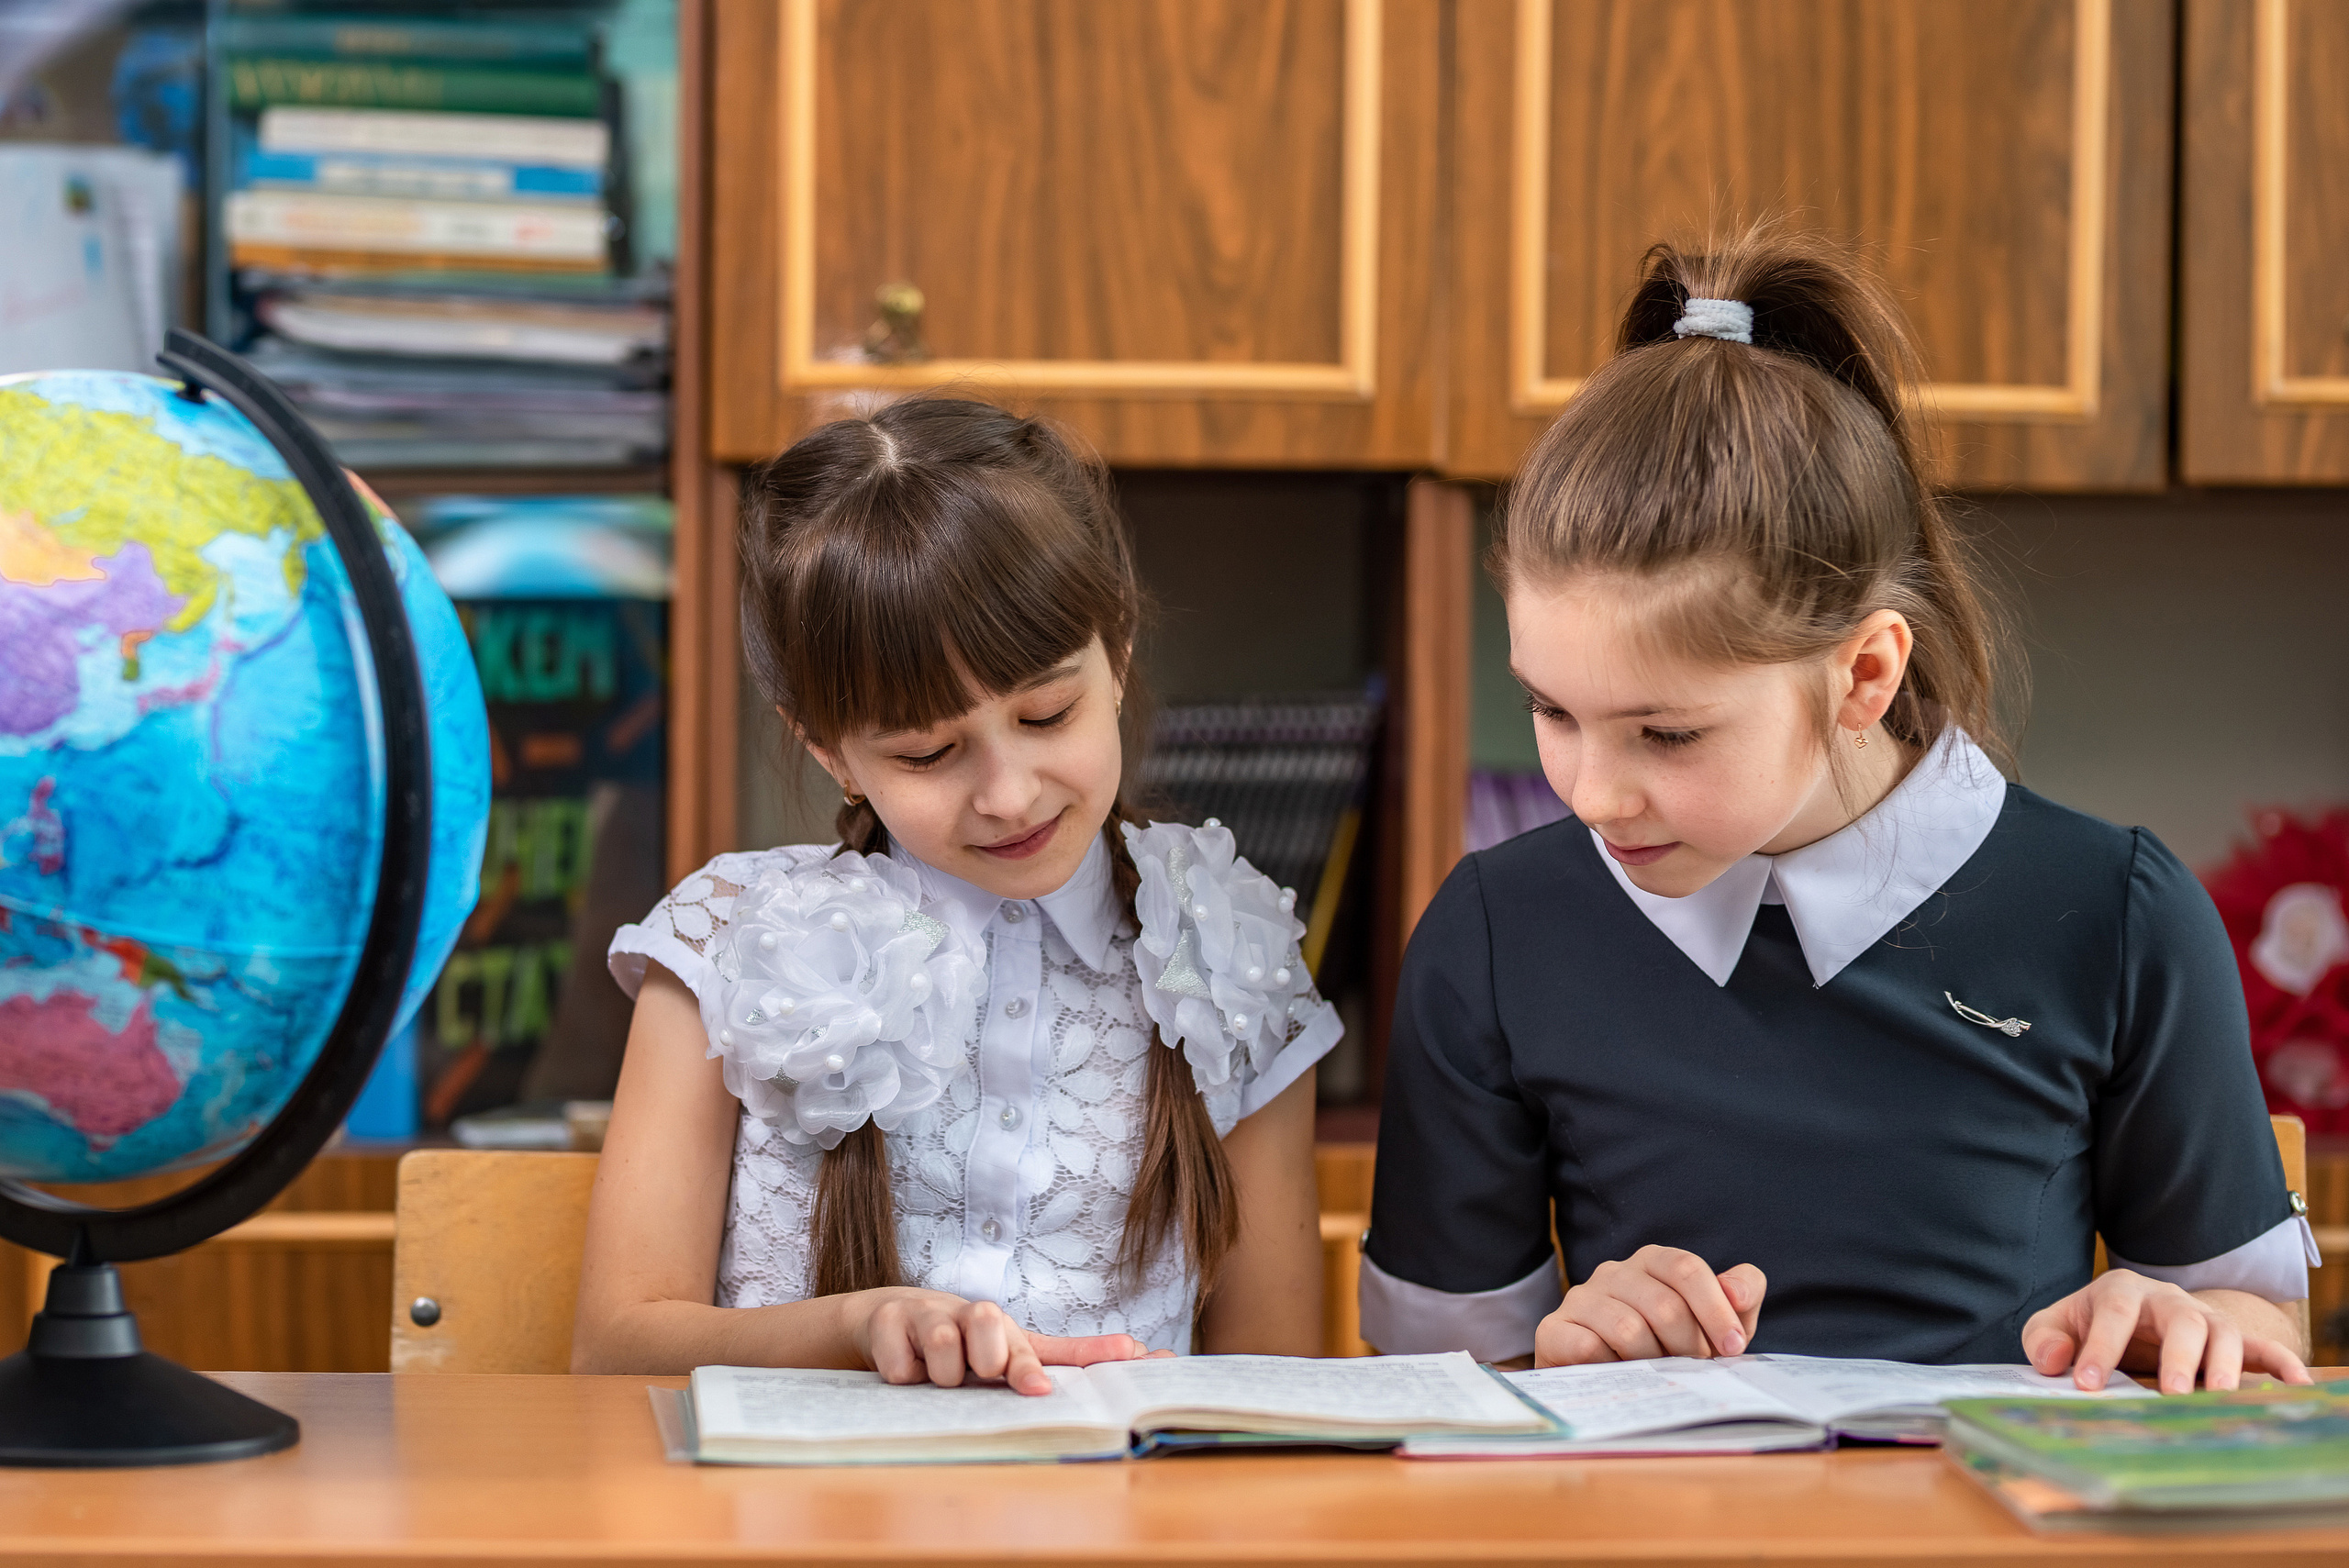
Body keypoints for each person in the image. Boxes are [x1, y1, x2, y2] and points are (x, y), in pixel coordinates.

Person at [1362, 229, 2318, 1396]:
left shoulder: (2115, 913)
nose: (1592, 793)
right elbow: (1436, 1395)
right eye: (1551, 711)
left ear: (1864, 675)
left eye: (1666, 732)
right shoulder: (1495, 933)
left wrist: (2187, 1316)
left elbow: (2262, 1341)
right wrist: (1558, 1357)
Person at [573, 399, 1333, 1390]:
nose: (1008, 793)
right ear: (825, 748)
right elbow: (613, 1347)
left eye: (1047, 712)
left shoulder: (1231, 948)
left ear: (1121, 650)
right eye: (926, 751)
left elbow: (1274, 1386)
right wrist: (862, 1323)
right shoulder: (724, 941)